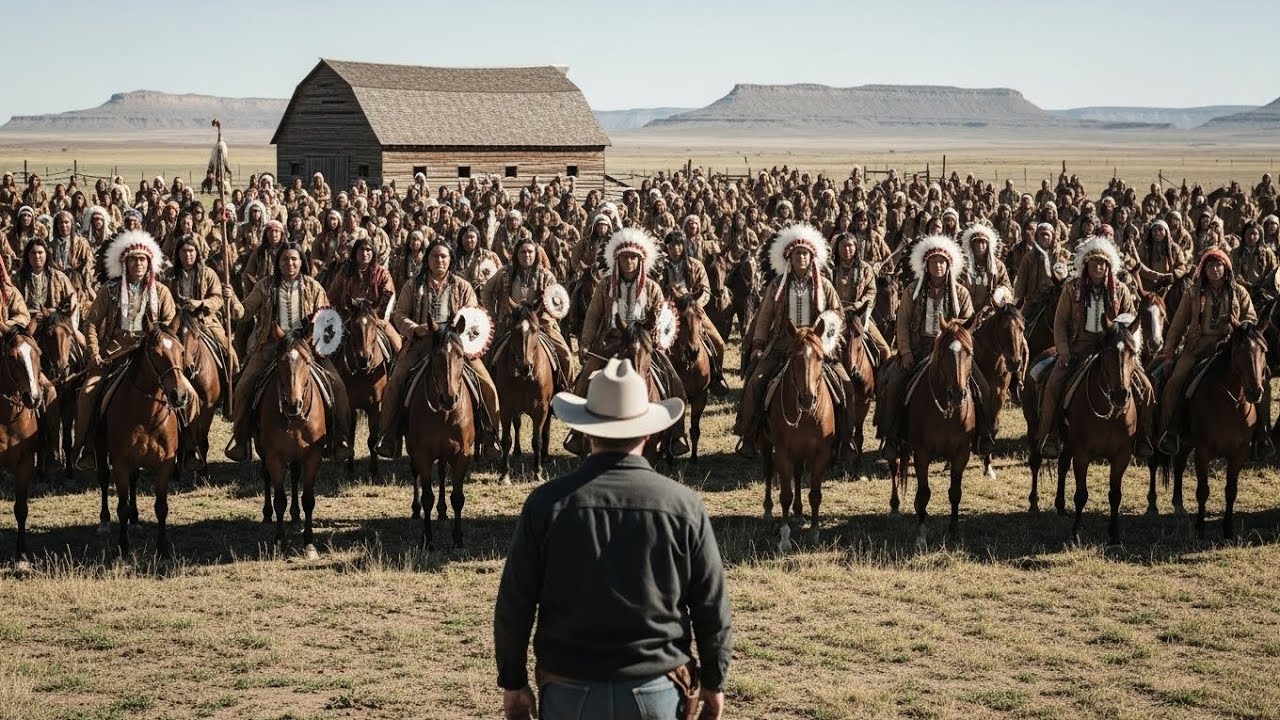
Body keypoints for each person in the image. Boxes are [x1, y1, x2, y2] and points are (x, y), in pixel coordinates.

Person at [494, 357, 731, 720]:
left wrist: (513, 681)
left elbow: (515, 605)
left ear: (586, 431)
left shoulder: (545, 504)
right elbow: (711, 607)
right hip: (657, 690)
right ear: (648, 432)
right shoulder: (684, 505)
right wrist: (714, 682)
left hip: (568, 690)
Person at [69, 231, 199, 470]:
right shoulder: (109, 290)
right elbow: (91, 323)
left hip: (154, 357)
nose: (138, 264)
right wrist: (95, 353)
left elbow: (171, 328)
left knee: (189, 394)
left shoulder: (160, 292)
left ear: (149, 263)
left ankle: (190, 447)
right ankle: (86, 448)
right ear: (124, 262)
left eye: (143, 260)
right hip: (115, 355)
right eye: (133, 259)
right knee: (88, 393)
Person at [224, 242, 353, 462]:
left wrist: (319, 339)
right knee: (244, 385)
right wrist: (232, 300)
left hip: (306, 349)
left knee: (338, 386)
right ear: (278, 263)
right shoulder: (265, 286)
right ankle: (241, 438)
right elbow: (244, 313)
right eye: (285, 259)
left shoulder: (313, 287)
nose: (289, 263)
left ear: (302, 261)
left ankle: (339, 439)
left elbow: (326, 318)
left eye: (294, 259)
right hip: (271, 346)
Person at [374, 240, 501, 458]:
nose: (439, 260)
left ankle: (490, 436)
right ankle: (389, 435)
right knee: (395, 383)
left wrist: (461, 336)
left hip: (455, 346)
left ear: (450, 259)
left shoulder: (463, 286)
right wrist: (415, 328)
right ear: (428, 259)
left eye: (444, 256)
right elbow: (399, 314)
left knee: (487, 384)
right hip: (422, 344)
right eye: (435, 256)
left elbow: (473, 315)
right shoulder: (413, 285)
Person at [571, 227, 690, 457]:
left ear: (640, 260)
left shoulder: (652, 287)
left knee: (674, 380)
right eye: (625, 257)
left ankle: (676, 434)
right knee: (585, 377)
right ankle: (577, 432)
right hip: (611, 342)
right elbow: (593, 316)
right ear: (617, 259)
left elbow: (661, 316)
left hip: (643, 343)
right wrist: (585, 343)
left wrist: (659, 339)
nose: (629, 262)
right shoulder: (605, 286)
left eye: (633, 257)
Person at [876, 235, 996, 455]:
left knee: (983, 388)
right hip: (918, 350)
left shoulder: (961, 292)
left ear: (948, 265)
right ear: (926, 265)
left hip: (952, 352)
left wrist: (956, 334)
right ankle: (891, 437)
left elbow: (969, 325)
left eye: (942, 262)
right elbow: (902, 323)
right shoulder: (912, 290)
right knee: (893, 385)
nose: (938, 266)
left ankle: (983, 434)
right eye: (934, 262)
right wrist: (904, 351)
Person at [1035, 238, 1154, 459]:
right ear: (1086, 265)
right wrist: (1063, 351)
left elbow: (1131, 322)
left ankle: (1143, 437)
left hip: (1114, 349)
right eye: (1094, 262)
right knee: (1053, 384)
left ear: (1109, 266)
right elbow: (1060, 322)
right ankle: (1049, 435)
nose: (1099, 267)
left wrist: (1130, 353)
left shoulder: (1121, 290)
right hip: (1080, 347)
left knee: (1146, 387)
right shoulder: (1072, 289)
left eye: (1103, 263)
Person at [734, 224, 843, 458]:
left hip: (815, 349)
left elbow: (836, 315)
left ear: (811, 257)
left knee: (844, 384)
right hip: (782, 346)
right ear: (789, 257)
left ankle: (843, 439)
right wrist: (758, 346)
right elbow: (764, 318)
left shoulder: (824, 285)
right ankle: (749, 435)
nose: (801, 257)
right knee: (755, 382)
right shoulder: (776, 285)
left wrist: (826, 343)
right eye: (797, 254)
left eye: (805, 253)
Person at [1156, 249, 1270, 457]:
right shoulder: (1192, 292)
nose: (1215, 270)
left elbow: (1251, 318)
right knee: (1175, 381)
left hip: (1230, 348)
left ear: (1226, 268)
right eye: (1210, 266)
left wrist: (1243, 327)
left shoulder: (1240, 292)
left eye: (1218, 265)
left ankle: (1261, 437)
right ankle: (1170, 433)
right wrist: (1169, 353)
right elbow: (1177, 325)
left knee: (1258, 379)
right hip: (1197, 347)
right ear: (1204, 269)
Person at [481, 235, 573, 390]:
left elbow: (557, 301)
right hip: (510, 321)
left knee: (566, 355)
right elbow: (486, 291)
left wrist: (549, 311)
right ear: (516, 255)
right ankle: (487, 392)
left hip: (541, 322)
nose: (526, 255)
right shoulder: (505, 273)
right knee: (487, 354)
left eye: (530, 252)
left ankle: (565, 388)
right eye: (522, 252)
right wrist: (493, 315)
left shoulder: (546, 275)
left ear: (536, 254)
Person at [659, 231, 729, 393]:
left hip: (693, 311)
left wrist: (694, 306)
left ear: (683, 246)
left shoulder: (695, 265)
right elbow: (656, 289)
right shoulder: (661, 267)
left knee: (718, 343)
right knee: (655, 345)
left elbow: (705, 289)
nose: (675, 248)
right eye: (671, 245)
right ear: (667, 247)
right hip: (667, 313)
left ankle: (716, 378)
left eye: (678, 244)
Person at [325, 237, 403, 354]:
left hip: (376, 317)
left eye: (368, 250)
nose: (365, 253)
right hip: (347, 318)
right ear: (355, 252)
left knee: (399, 348)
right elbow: (332, 295)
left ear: (373, 253)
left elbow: (389, 295)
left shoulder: (382, 273)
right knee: (324, 349)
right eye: (361, 249)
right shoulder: (346, 271)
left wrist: (379, 318)